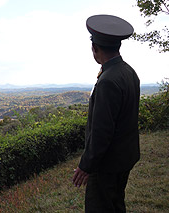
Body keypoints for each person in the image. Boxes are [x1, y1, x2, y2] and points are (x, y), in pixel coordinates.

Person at [72, 14, 140, 212]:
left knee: (100, 207)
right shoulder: (129, 71)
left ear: (95, 48)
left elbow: (102, 131)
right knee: (116, 203)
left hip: (107, 163)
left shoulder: (108, 80)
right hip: (124, 157)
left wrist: (86, 165)